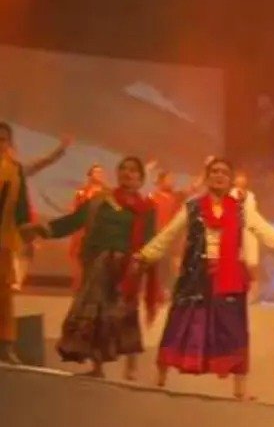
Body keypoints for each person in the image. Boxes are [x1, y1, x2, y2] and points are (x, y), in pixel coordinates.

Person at [135, 158, 274, 400]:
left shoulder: (241, 209)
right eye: (214, 171)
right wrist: (145, 255)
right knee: (179, 324)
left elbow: (264, 229)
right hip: (195, 274)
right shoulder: (192, 206)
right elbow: (169, 234)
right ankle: (159, 377)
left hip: (229, 277)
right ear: (207, 177)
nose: (219, 175)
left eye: (224, 172)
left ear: (231, 179)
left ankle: (240, 389)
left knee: (234, 330)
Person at [23, 156, 159, 379]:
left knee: (126, 314)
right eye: (123, 169)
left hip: (128, 268)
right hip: (100, 266)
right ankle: (98, 367)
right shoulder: (100, 201)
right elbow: (73, 221)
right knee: (97, 315)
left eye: (133, 170)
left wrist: (140, 263)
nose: (127, 173)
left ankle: (131, 368)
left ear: (141, 179)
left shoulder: (146, 209)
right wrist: (41, 229)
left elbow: (150, 240)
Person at [0, 124, 70, 364]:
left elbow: (20, 212)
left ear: (9, 143)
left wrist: (32, 229)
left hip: (3, 243)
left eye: (3, 140)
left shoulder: (15, 170)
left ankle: (5, 346)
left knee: (4, 297)